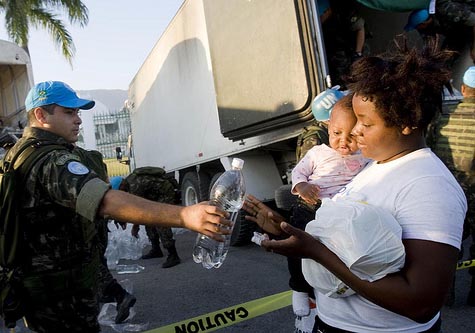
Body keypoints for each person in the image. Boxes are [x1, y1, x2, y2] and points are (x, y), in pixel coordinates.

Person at [244, 38, 467, 332]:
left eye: (366, 123)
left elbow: (421, 304)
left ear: (408, 122)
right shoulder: (373, 166)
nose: (356, 132)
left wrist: (315, 251)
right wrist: (290, 230)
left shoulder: (429, 186)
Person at [6, 81, 230, 333]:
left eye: (78, 112)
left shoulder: (19, 153)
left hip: (42, 291)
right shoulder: (52, 160)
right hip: (62, 295)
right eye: (69, 112)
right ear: (40, 115)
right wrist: (183, 214)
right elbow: (104, 200)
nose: (78, 119)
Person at [288, 94, 369, 316]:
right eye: (336, 133)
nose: (343, 141)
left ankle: (333, 287)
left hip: (340, 214)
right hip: (310, 208)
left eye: (351, 135)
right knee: (298, 249)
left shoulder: (365, 157)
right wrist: (302, 187)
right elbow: (298, 172)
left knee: (335, 254)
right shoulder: (318, 152)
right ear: (328, 127)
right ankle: (299, 288)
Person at [73, 149, 137, 324]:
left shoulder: (73, 165)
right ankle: (108, 295)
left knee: (93, 263)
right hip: (98, 222)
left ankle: (119, 295)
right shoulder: (94, 166)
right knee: (97, 260)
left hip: (89, 223)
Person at [429, 65, 475, 306]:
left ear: (464, 89)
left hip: (446, 188)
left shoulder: (444, 113)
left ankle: (445, 295)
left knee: (449, 242)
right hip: (473, 188)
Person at [113, 168, 181, 269]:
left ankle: (173, 255)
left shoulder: (134, 186)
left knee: (160, 221)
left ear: (121, 186)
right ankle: (156, 249)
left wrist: (135, 227)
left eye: (120, 191)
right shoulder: (128, 185)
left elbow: (139, 209)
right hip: (153, 196)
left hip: (164, 192)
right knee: (148, 219)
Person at [405, 2, 475, 65]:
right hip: (456, 32)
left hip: (470, 23)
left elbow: (473, 21)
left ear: (424, 23)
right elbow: (429, 43)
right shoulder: (425, 27)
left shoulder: (446, 10)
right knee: (443, 58)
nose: (417, 28)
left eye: (417, 26)